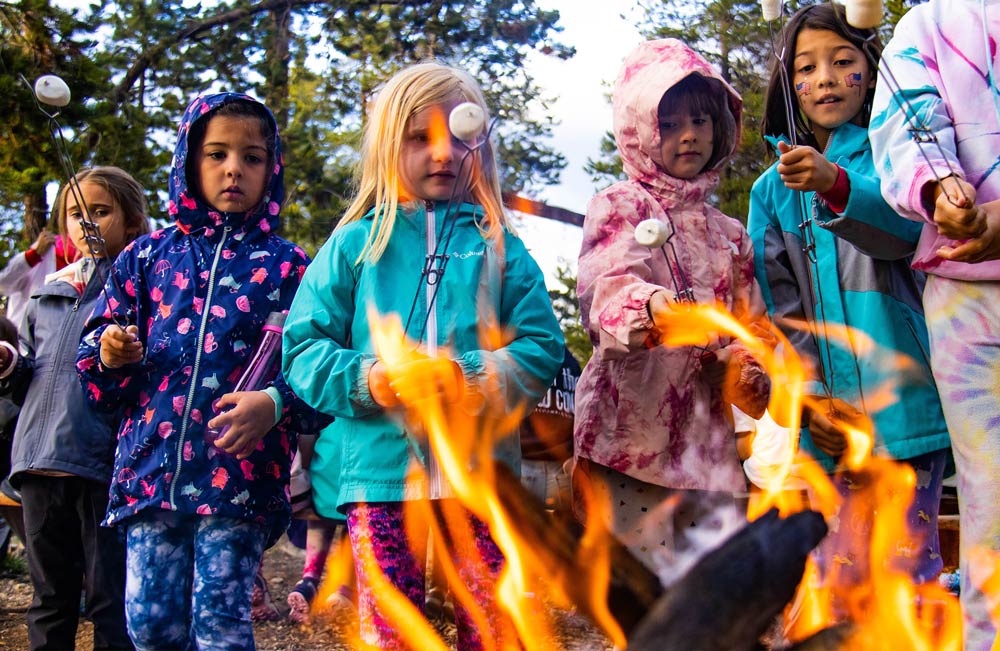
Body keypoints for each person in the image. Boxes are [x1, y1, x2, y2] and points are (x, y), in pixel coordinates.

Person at [281, 61, 564, 650]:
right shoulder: (357, 243)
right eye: (419, 138)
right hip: (381, 475)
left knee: (489, 622)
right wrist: (370, 380)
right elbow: (302, 347)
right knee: (393, 631)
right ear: (390, 145)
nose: (442, 154)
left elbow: (542, 346)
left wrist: (473, 377)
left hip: (480, 477)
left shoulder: (499, 245)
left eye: (459, 136)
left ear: (481, 145)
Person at [76, 93, 318, 651]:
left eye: (252, 157)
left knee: (220, 624)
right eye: (216, 154)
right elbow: (92, 360)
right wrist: (111, 353)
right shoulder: (145, 257)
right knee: (150, 624)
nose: (234, 167)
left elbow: (315, 369)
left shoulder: (291, 267)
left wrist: (276, 401)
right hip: (150, 477)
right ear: (188, 161)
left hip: (240, 480)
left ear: (271, 169)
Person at [748, 2, 951, 605]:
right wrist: (812, 400)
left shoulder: (903, 160)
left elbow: (907, 235)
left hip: (905, 408)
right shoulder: (770, 191)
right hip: (826, 427)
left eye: (844, 61)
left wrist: (836, 184)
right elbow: (779, 313)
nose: (828, 78)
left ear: (873, 67)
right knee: (833, 584)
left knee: (904, 583)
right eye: (807, 68)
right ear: (789, 84)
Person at [573, 38, 771, 587]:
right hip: (629, 441)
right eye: (670, 123)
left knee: (708, 596)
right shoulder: (621, 205)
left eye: (702, 121)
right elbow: (605, 285)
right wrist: (655, 309)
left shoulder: (732, 235)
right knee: (639, 593)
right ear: (639, 130)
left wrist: (741, 368)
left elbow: (748, 324)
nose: (689, 135)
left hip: (709, 446)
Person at [868, 2, 1000, 647]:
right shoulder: (926, 24)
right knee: (991, 500)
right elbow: (908, 116)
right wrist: (939, 186)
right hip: (967, 294)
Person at [2, 166, 149, 650]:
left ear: (131, 222)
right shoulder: (45, 295)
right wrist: (7, 365)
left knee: (108, 599)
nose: (85, 224)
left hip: (101, 469)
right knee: (49, 599)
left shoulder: (139, 289)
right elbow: (29, 385)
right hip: (38, 464)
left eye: (101, 212)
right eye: (73, 214)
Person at [519, 345, 580, 512]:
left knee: (562, 533)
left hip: (560, 467)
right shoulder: (521, 349)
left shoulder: (571, 362)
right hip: (525, 463)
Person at [0, 228, 78, 332]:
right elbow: (3, 284)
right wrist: (34, 255)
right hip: (22, 339)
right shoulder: (45, 251)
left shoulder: (92, 264)